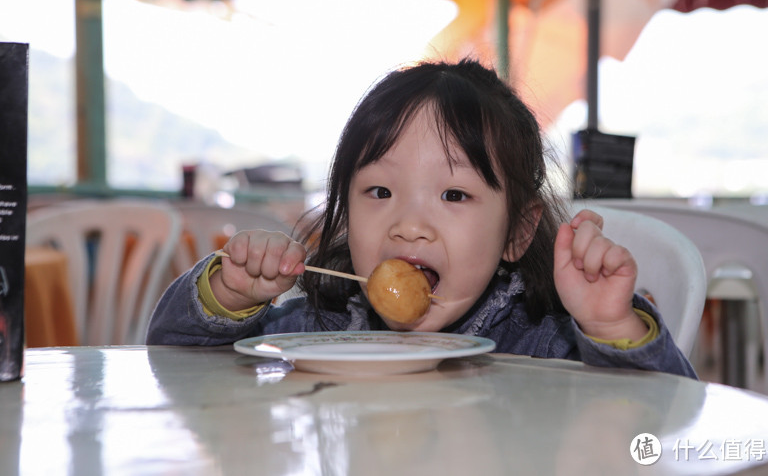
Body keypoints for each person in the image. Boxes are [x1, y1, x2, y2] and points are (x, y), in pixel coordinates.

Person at [147, 58, 696, 379]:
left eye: (454, 195)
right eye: (380, 190)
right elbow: (176, 363)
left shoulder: (545, 343)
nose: (409, 224)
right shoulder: (321, 329)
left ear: (518, 232)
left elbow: (655, 432)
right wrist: (230, 294)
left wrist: (609, 328)